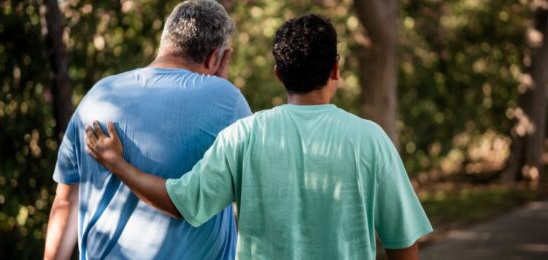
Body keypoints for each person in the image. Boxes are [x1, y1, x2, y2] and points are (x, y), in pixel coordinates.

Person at [85, 14, 433, 259]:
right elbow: (403, 243)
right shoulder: (370, 140)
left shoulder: (243, 136)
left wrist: (117, 163)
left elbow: (182, 203)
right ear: (335, 69)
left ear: (278, 74)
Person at [43, 1, 251, 259]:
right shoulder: (227, 100)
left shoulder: (99, 95)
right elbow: (253, 194)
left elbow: (66, 201)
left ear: (166, 41)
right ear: (214, 58)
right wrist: (220, 92)